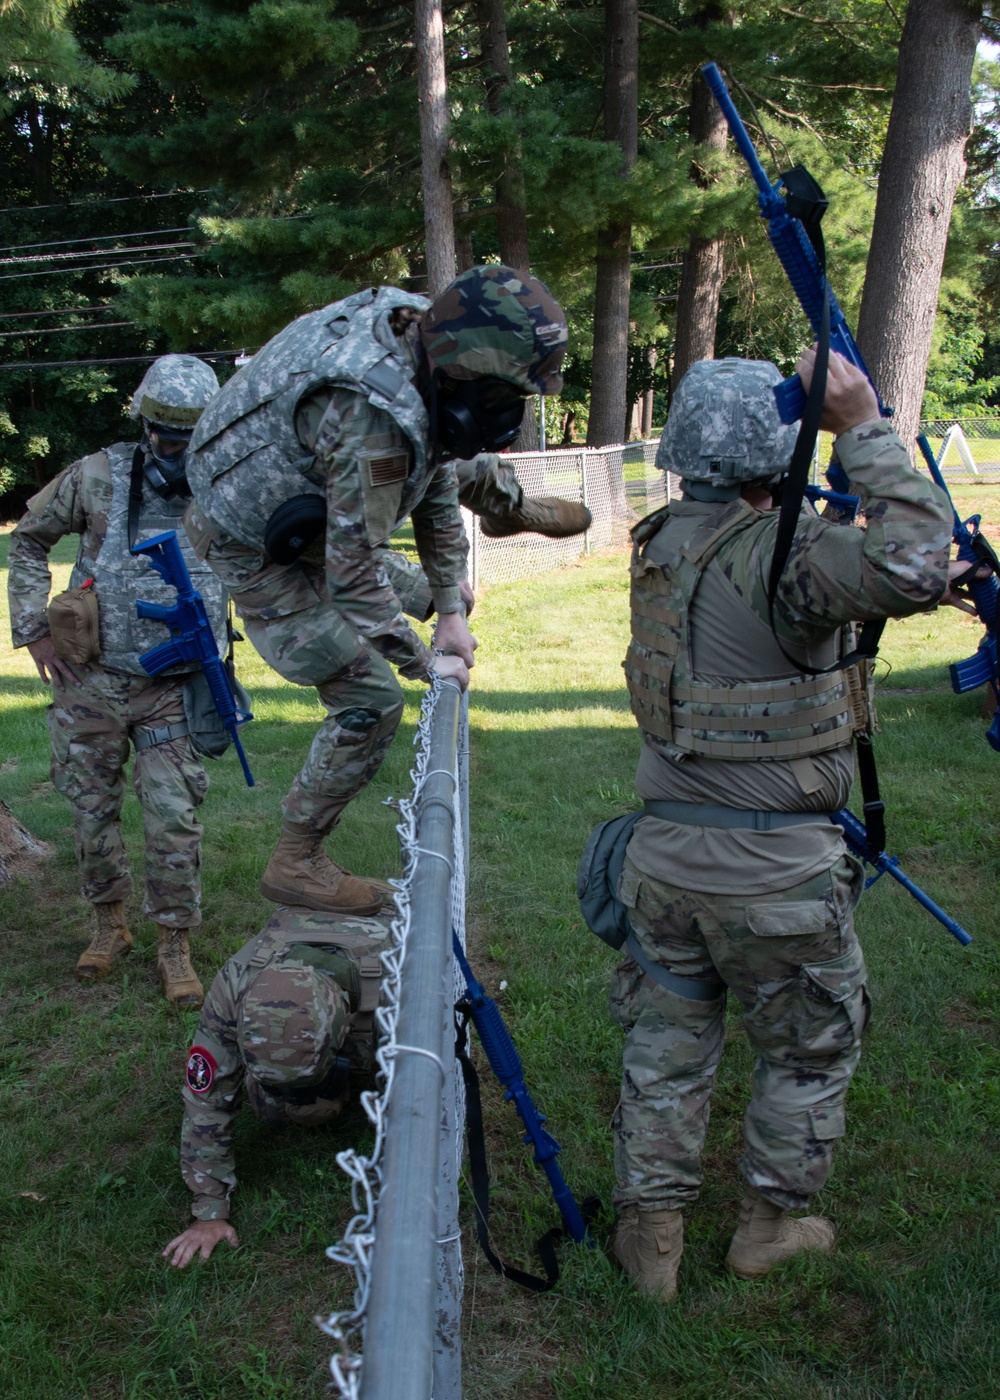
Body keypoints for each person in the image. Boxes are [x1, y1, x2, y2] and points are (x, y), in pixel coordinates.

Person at [609, 350, 954, 1300]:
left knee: (665, 1051)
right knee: (808, 1050)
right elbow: (919, 561)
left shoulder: (661, 542)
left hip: (664, 860)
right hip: (776, 879)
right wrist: (866, 428)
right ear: (783, 445)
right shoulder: (793, 554)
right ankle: (767, 1229)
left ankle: (654, 1242)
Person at [184, 265, 576, 916]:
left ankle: (509, 505)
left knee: (449, 578)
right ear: (465, 373)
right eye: (505, 397)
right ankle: (297, 860)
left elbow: (436, 483)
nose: (512, 414)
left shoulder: (428, 340)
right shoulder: (374, 416)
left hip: (317, 520)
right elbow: (354, 575)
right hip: (253, 547)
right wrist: (426, 663)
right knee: (371, 696)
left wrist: (448, 610)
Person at [7, 354, 225, 1006]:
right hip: (92, 681)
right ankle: (109, 928)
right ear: (145, 424)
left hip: (174, 687)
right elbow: (27, 538)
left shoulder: (228, 482)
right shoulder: (99, 476)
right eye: (168, 434)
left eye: (193, 435)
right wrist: (34, 628)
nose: (179, 449)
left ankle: (174, 946)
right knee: (91, 811)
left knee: (174, 820)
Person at [162, 904, 389, 1267]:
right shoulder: (234, 987)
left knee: (373, 1088)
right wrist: (210, 1210)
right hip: (304, 944)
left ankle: (337, 1076)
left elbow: (424, 1101)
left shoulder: (398, 988)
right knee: (275, 1111)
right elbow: (207, 1100)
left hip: (376, 917)